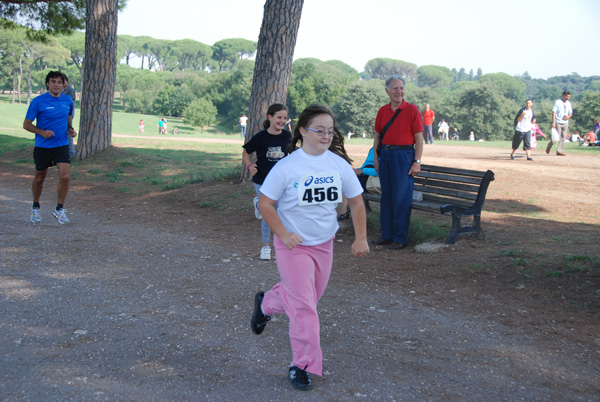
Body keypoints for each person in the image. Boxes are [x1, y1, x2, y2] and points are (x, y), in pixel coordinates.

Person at [250, 104, 369, 391]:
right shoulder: (287, 166)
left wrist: (360, 237)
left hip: (324, 244)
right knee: (304, 308)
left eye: (331, 131)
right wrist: (283, 234)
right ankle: (301, 365)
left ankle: (267, 303)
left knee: (306, 300)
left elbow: (355, 201)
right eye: (320, 130)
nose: (327, 135)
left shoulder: (338, 165)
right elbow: (265, 204)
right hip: (294, 246)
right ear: (303, 130)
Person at [372, 76, 424, 249]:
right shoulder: (382, 111)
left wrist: (416, 161)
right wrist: (376, 160)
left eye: (401, 88)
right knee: (386, 198)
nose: (398, 91)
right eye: (395, 88)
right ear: (387, 91)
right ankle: (386, 235)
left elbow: (419, 138)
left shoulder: (412, 110)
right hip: (385, 155)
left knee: (401, 198)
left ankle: (400, 238)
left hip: (404, 156)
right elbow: (377, 137)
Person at [23, 71, 77, 225]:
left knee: (65, 176)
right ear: (48, 84)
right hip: (43, 146)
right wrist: (41, 132)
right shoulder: (38, 101)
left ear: (63, 84)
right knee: (40, 178)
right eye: (53, 81)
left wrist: (70, 129)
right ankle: (35, 207)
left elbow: (68, 117)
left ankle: (59, 209)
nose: (56, 85)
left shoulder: (67, 100)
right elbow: (26, 124)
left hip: (61, 144)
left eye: (59, 82)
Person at [242, 103, 292, 260]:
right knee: (268, 213)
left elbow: (295, 156)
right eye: (279, 117)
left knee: (280, 211)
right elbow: (245, 152)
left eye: (284, 118)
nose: (282, 120)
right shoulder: (260, 137)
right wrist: (249, 165)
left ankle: (259, 205)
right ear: (270, 117)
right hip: (262, 180)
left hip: (282, 181)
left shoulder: (287, 137)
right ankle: (265, 247)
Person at [338, 147, 378, 220]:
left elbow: (381, 170)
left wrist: (363, 171)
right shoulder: (373, 148)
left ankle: (344, 211)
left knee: (349, 181)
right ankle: (344, 211)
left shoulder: (386, 148)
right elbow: (367, 163)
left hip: (372, 176)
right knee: (348, 177)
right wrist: (358, 170)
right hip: (366, 172)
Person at [547, 90, 573, 156]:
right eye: (567, 96)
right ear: (563, 95)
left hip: (565, 122)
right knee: (556, 138)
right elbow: (554, 112)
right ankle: (549, 146)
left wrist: (568, 117)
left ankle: (559, 151)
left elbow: (571, 113)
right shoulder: (557, 102)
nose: (568, 98)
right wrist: (554, 122)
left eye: (569, 96)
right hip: (558, 122)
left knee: (563, 137)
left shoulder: (568, 103)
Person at [61, 74, 77, 158]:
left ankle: (71, 152)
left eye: (64, 81)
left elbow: (72, 103)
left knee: (68, 131)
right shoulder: (62, 90)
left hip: (68, 114)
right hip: (63, 113)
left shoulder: (70, 90)